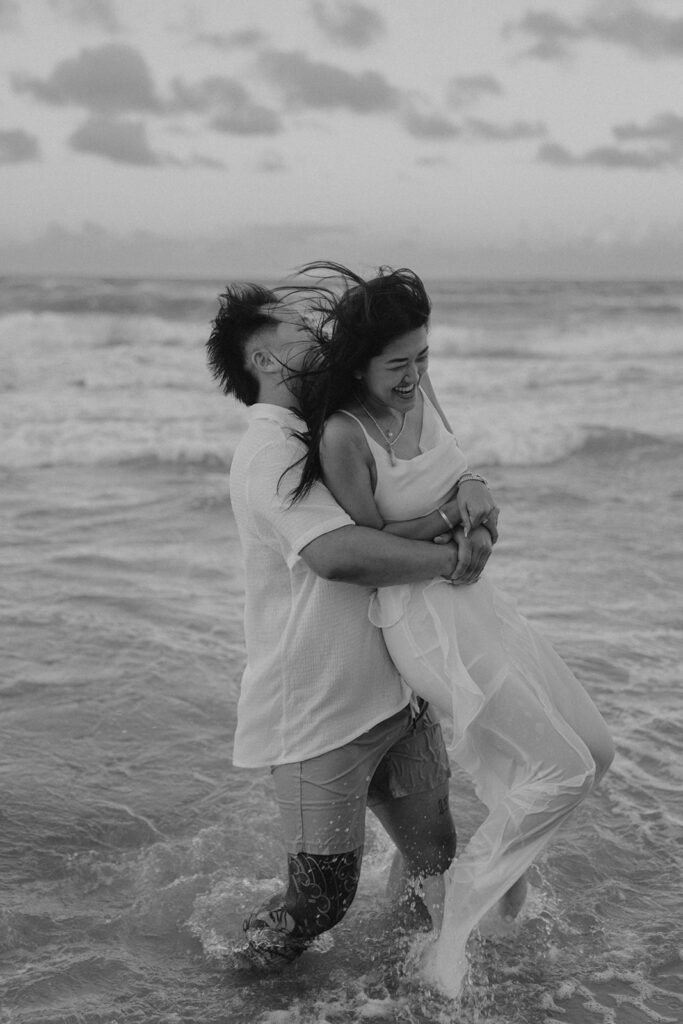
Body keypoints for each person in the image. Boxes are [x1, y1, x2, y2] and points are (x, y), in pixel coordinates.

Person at [290, 262, 615, 995]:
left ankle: (499, 880)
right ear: (361, 361)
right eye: (397, 364)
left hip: (476, 599)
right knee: (558, 771)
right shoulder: (343, 434)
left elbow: (460, 468)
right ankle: (465, 904)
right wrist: (452, 528)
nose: (413, 377)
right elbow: (372, 544)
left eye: (423, 358)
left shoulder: (420, 392)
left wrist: (477, 496)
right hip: (422, 618)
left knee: (595, 752)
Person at [205, 284, 498, 971]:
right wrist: (451, 557)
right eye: (301, 329)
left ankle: (402, 976)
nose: (318, 333)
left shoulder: (333, 421)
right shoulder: (267, 454)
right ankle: (237, 983)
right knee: (320, 898)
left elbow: (424, 453)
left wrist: (469, 483)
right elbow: (337, 555)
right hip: (316, 709)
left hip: (395, 689)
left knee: (434, 853)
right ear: (266, 359)